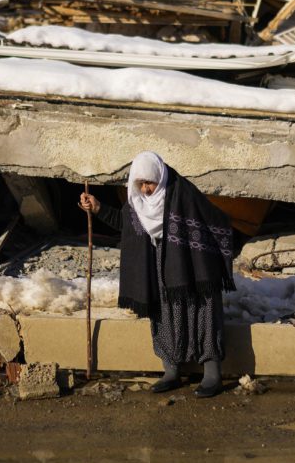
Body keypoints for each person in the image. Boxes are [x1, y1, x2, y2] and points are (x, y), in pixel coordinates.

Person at [78, 151, 236, 398]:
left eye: (149, 183)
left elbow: (212, 219)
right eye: (140, 184)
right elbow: (126, 223)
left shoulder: (181, 192)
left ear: (159, 178)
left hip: (191, 264)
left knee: (201, 309)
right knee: (162, 312)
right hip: (156, 265)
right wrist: (97, 208)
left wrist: (209, 256)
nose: (146, 189)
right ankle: (171, 371)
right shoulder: (137, 201)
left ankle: (212, 374)